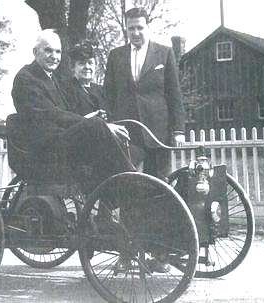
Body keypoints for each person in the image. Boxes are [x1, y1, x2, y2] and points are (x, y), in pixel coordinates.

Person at [10, 29, 134, 194]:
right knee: (98, 127)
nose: (54, 56)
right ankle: (133, 183)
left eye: (57, 51)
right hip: (41, 151)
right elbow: (51, 114)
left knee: (101, 140)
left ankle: (112, 198)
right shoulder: (26, 78)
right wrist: (97, 125)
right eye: (48, 50)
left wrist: (90, 119)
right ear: (35, 52)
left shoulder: (51, 77)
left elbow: (64, 112)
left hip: (56, 144)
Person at [104, 7, 186, 180]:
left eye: (140, 27)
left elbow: (174, 94)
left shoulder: (165, 53)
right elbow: (108, 95)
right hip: (127, 133)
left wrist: (178, 130)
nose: (135, 32)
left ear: (148, 27)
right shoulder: (115, 56)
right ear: (126, 29)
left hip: (158, 133)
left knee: (160, 185)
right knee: (128, 185)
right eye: (131, 28)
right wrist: (111, 125)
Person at [63, 39, 107, 118]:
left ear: (95, 66)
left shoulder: (100, 90)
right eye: (81, 63)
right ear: (73, 67)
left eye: (90, 63)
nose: (87, 67)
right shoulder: (67, 90)